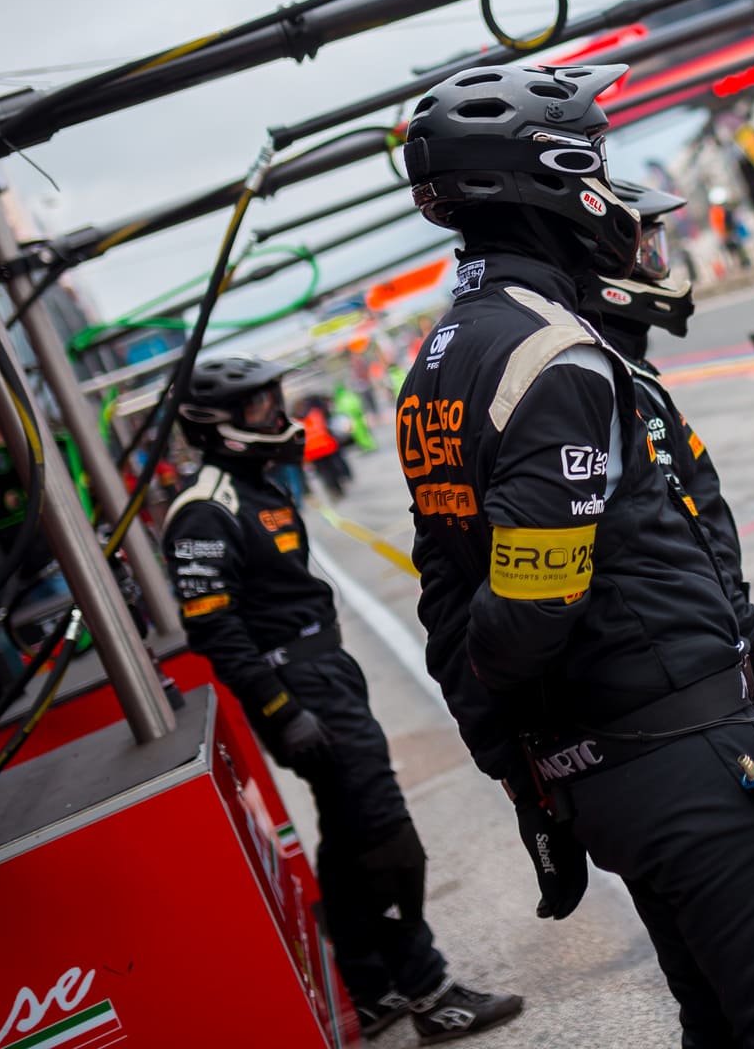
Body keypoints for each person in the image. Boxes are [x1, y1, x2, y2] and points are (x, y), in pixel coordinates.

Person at [396, 63, 754, 1049]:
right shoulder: (552, 356)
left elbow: (448, 593)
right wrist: (536, 746)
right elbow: (524, 611)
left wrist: (530, 767)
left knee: (722, 1020)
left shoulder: (441, 356)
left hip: (618, 763)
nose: (607, 183)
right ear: (552, 180)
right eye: (593, 160)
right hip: (681, 753)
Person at [161, 354, 522, 1043]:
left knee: (350, 833)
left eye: (273, 400)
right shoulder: (205, 509)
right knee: (385, 834)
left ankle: (371, 986)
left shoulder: (257, 485)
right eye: (258, 407)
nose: (276, 415)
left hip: (324, 671)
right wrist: (281, 710)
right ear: (216, 424)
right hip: (296, 688)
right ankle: (430, 991)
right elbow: (213, 628)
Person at [581, 179, 754, 849]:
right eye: (646, 249)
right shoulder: (612, 383)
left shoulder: (619, 372)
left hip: (705, 670)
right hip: (706, 682)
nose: (659, 264)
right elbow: (694, 557)